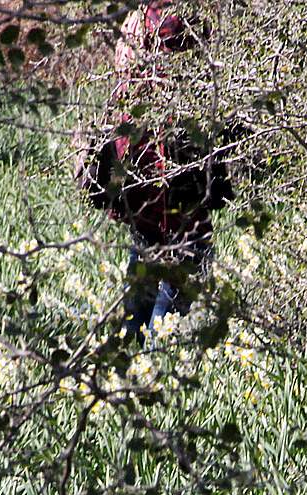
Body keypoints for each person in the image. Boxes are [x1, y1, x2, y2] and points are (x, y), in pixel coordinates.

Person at [78, 0, 232, 342]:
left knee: (147, 253)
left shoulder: (137, 18)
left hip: (135, 168)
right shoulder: (172, 21)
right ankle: (155, 358)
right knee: (186, 258)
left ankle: (130, 349)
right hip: (166, 167)